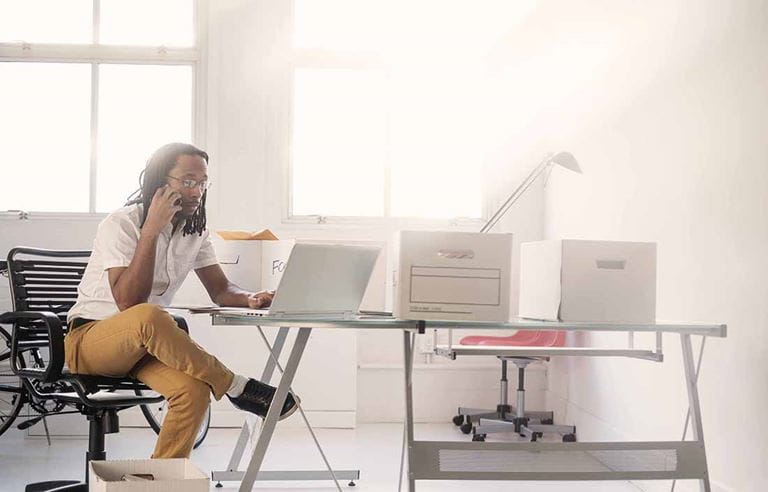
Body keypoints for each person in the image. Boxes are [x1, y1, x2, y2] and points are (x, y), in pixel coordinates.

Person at [65, 142, 297, 459]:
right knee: (150, 315)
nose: (197, 191)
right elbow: (129, 302)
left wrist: (251, 297)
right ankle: (237, 387)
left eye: (202, 183)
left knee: (194, 391)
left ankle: (162, 481)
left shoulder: (194, 231)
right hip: (90, 342)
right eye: (188, 181)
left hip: (143, 348)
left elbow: (220, 289)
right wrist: (151, 232)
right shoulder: (121, 224)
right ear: (160, 181)